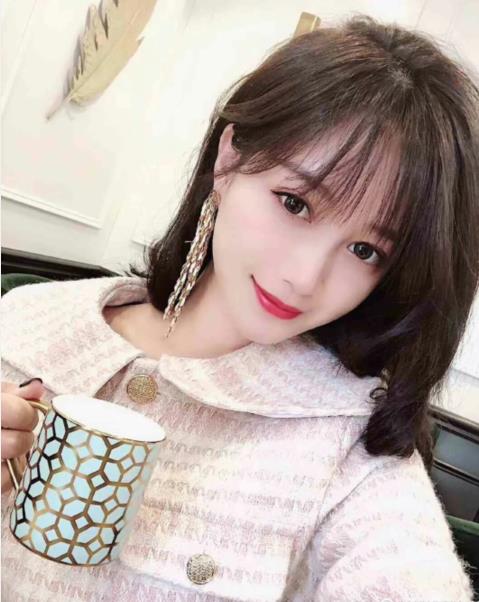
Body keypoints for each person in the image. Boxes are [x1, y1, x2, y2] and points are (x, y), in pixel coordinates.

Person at [1, 13, 478, 602]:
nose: (304, 278)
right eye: (295, 203)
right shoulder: (27, 320)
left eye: (365, 250)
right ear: (228, 160)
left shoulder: (349, 438)